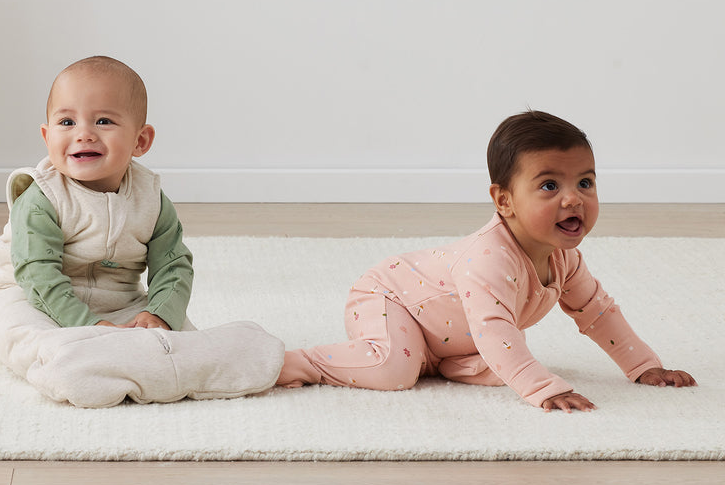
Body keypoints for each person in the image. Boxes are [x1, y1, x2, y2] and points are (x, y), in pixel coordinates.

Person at [277, 110, 697, 411]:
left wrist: (645, 368)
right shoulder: (489, 259)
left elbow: (598, 313)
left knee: (502, 361)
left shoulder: (565, 259)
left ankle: (440, 361)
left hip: (449, 335)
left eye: (585, 182)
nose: (574, 199)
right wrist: (543, 389)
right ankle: (294, 363)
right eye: (549, 185)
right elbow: (494, 327)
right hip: (389, 297)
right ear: (504, 200)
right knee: (395, 370)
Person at [0, 55, 194, 332]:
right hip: (31, 297)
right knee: (29, 336)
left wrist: (159, 315)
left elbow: (173, 265)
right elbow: (37, 275)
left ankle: (251, 358)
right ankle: (94, 360)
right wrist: (91, 326)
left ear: (140, 141)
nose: (84, 134)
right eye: (67, 122)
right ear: (47, 138)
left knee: (176, 337)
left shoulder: (150, 199)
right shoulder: (42, 197)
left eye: (103, 121)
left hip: (120, 302)